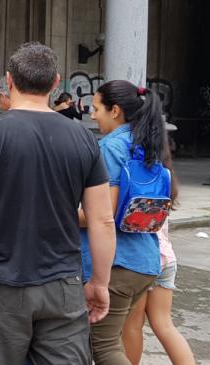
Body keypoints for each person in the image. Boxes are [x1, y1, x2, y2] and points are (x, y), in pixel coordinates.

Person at [0, 42, 117, 364]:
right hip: (62, 283)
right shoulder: (83, 138)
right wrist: (100, 282)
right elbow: (102, 220)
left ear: (10, 80)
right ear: (55, 82)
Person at [79, 80, 173, 365]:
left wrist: (53, 216)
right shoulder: (145, 142)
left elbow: (103, 214)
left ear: (115, 110)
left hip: (116, 265)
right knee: (108, 340)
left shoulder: (110, 146)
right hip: (144, 260)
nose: (92, 115)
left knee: (104, 348)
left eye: (96, 109)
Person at [121, 223, 196, 365]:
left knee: (132, 325)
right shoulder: (164, 198)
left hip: (140, 258)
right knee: (165, 325)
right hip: (166, 256)